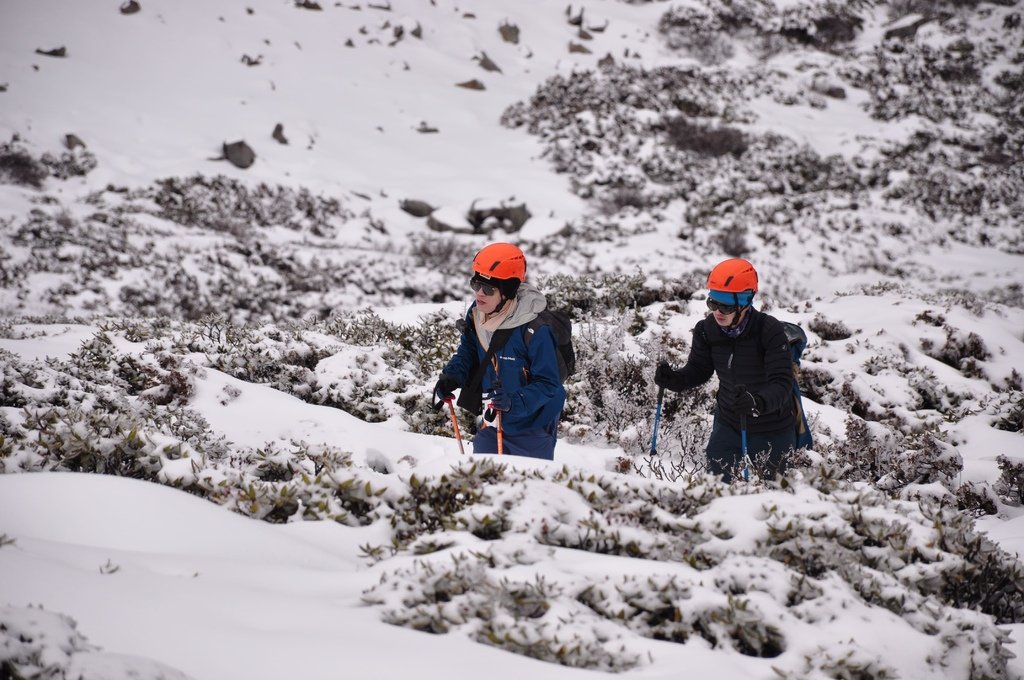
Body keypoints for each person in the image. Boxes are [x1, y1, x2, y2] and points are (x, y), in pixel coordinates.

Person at [654, 258, 795, 481]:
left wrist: (756, 401)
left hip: (772, 428)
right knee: (716, 487)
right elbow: (699, 369)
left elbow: (783, 383)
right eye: (713, 303)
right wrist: (675, 380)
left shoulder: (769, 330)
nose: (718, 312)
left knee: (772, 496)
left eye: (727, 305)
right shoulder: (706, 329)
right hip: (728, 422)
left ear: (746, 301)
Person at [433, 242, 566, 460]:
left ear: (508, 291)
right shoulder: (477, 314)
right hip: (493, 420)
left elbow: (549, 383)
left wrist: (515, 401)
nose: (479, 293)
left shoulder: (536, 329)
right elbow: (469, 351)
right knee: (483, 481)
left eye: (488, 289)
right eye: (475, 284)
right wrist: (452, 376)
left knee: (528, 487)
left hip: (534, 425)